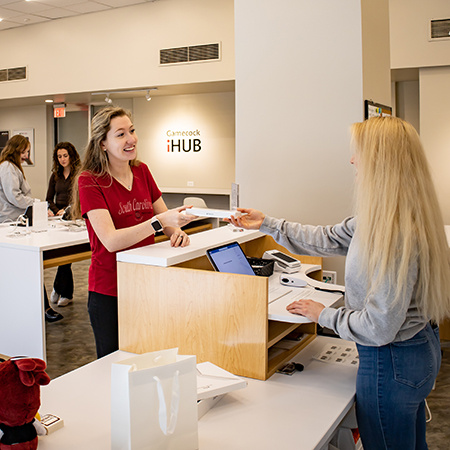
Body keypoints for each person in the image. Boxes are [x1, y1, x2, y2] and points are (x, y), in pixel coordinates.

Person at [228, 116, 450, 450]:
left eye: (357, 151)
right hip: (414, 352)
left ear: (380, 161)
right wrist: (268, 224)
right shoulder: (393, 214)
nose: (351, 160)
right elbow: (327, 239)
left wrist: (323, 315)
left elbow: (378, 327)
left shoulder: (395, 233)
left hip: (391, 361)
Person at [71, 106, 195, 358]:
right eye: (120, 134)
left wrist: (176, 231)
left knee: (148, 358)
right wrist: (160, 222)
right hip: (109, 290)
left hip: (146, 283)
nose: (131, 139)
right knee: (113, 364)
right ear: (102, 143)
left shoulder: (142, 171)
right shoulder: (89, 180)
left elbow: (165, 220)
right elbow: (111, 240)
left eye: (132, 131)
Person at [0, 135, 62, 322]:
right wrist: (38, 204)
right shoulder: (7, 167)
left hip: (16, 222)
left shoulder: (13, 167)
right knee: (23, 268)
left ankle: (41, 308)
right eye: (25, 150)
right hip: (8, 224)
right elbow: (14, 197)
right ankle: (40, 309)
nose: (27, 154)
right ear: (17, 149)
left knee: (28, 267)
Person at [46, 142, 80, 307]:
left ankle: (62, 290)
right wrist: (55, 210)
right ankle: (63, 291)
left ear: (71, 156)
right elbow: (48, 198)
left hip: (72, 216)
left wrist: (67, 210)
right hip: (57, 218)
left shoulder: (79, 174)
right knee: (61, 255)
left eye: (65, 156)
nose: (62, 159)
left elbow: (80, 199)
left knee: (66, 256)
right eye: (59, 156)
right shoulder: (55, 175)